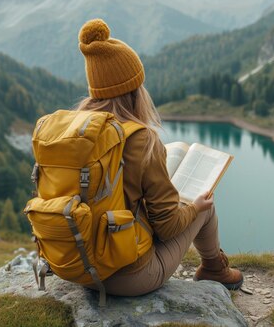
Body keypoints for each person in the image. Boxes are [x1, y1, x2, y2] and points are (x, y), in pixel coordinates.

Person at [75, 18, 243, 296]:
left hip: (78, 267)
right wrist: (194, 207)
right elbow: (167, 228)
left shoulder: (75, 132)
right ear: (134, 90)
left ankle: (213, 265)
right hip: (126, 277)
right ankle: (214, 269)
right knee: (204, 205)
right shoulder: (141, 139)